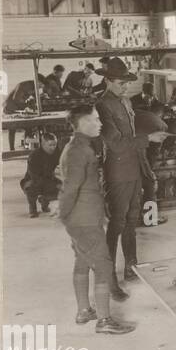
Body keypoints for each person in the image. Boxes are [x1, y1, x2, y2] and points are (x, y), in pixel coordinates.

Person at [56, 106, 135, 335]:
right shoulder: (79, 151)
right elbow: (71, 187)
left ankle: (84, 311)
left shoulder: (77, 146)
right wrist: (64, 213)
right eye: (96, 119)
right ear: (83, 123)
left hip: (82, 217)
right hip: (85, 219)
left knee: (82, 261)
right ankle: (104, 320)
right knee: (103, 266)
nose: (100, 124)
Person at [98, 58, 167, 287]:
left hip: (135, 167)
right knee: (117, 222)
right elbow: (115, 143)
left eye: (127, 83)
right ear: (107, 81)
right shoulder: (102, 105)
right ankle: (107, 273)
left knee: (131, 221)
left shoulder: (125, 102)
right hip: (117, 172)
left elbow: (133, 133)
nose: (125, 87)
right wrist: (148, 138)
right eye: (120, 83)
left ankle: (131, 266)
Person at [20, 131, 63, 217]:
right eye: (50, 145)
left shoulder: (57, 152)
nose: (53, 147)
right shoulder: (34, 156)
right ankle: (33, 208)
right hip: (33, 180)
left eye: (54, 144)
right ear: (43, 145)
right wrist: (49, 186)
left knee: (64, 188)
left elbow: (65, 164)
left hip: (49, 178)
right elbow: (34, 176)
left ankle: (44, 201)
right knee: (31, 187)